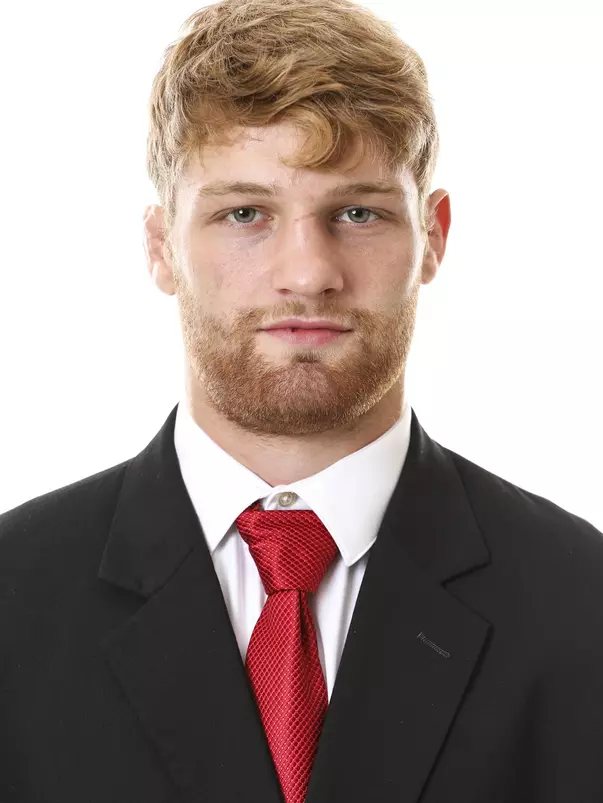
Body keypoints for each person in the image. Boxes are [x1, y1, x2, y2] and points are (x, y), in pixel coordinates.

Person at [2, 0, 603, 800]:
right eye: (244, 213)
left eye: (357, 212)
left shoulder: (581, 603)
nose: (307, 272)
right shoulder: (13, 598)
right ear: (160, 248)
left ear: (434, 237)